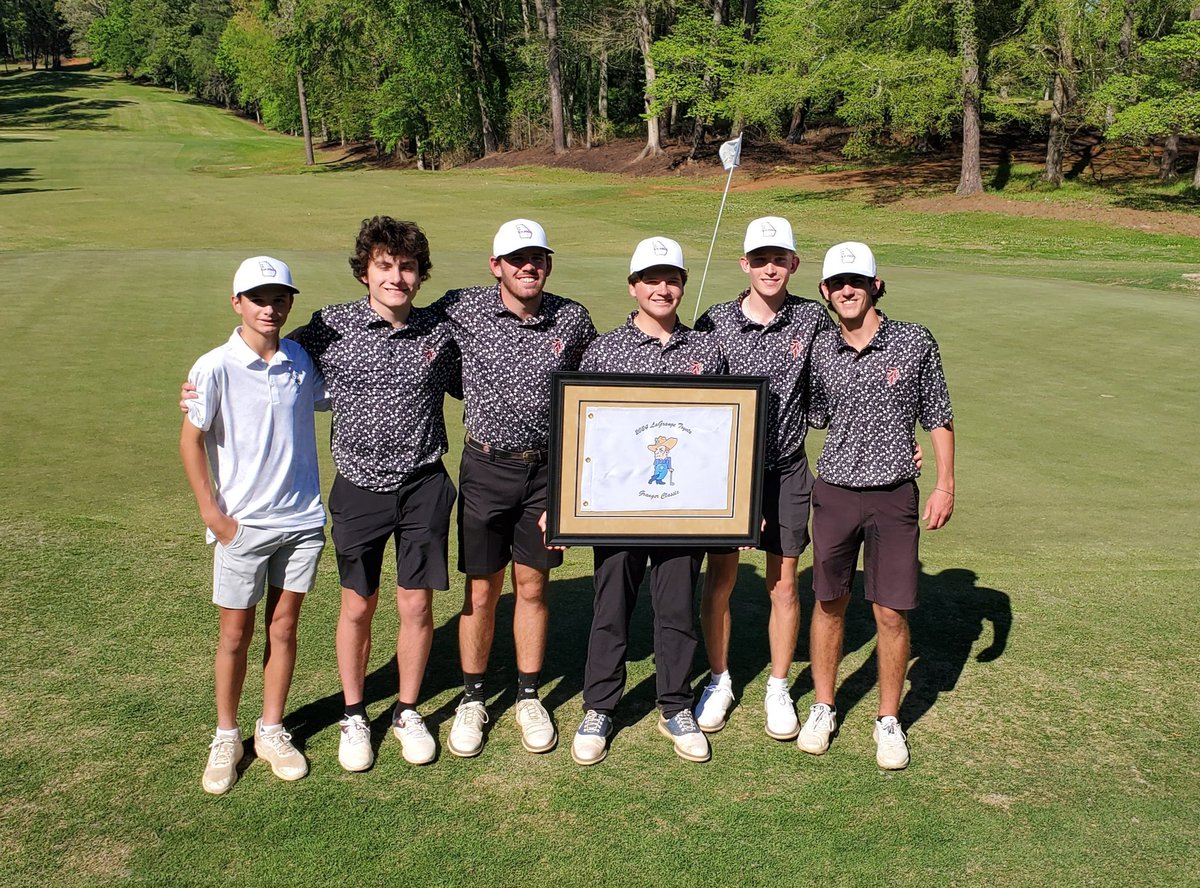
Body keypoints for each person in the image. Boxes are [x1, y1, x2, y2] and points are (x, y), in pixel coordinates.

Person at [289, 217, 461, 771]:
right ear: (365, 271)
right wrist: (205, 382)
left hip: (425, 484)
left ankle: (407, 710)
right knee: (357, 604)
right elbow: (269, 360)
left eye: (407, 267)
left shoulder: (441, 329)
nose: (396, 277)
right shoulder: (330, 326)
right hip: (359, 487)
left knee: (415, 602)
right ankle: (355, 713)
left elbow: (482, 375)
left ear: (420, 275)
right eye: (384, 266)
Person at [435, 219, 596, 757]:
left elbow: (595, 396)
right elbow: (407, 329)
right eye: (518, 258)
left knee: (532, 587)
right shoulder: (462, 306)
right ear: (496, 266)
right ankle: (473, 699)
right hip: (484, 469)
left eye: (539, 258)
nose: (530, 266)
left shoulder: (572, 318)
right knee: (482, 590)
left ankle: (528, 696)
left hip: (545, 475)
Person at [570, 237, 726, 766]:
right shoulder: (605, 349)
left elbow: (720, 435)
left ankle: (675, 704)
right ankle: (599, 706)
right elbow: (582, 430)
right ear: (633, 286)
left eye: (673, 279)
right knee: (611, 608)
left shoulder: (706, 350)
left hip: (686, 510)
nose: (664, 289)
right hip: (616, 508)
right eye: (652, 279)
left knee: (677, 610)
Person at [799, 241, 955, 770]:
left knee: (889, 611)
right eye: (838, 283)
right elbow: (813, 413)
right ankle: (824, 705)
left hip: (894, 496)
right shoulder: (819, 348)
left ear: (875, 286)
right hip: (836, 492)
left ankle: (888, 719)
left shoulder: (914, 341)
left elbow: (938, 413)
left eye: (857, 282)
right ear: (825, 291)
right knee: (829, 602)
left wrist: (945, 484)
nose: (848, 290)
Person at [181, 256, 327, 794]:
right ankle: (227, 735)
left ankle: (271, 729)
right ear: (237, 302)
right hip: (242, 526)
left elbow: (340, 399)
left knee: (284, 628)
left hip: (302, 519)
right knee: (235, 634)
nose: (271, 308)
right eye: (259, 298)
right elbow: (190, 441)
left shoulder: (300, 361)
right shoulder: (213, 366)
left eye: (280, 298)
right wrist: (214, 517)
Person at [692, 217, 834, 741]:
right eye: (760, 258)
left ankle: (777, 686)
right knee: (723, 579)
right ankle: (720, 679)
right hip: (727, 474)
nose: (770, 267)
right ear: (744, 263)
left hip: (788, 468)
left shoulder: (811, 320)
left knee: (782, 584)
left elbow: (837, 380)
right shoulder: (714, 321)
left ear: (794, 264)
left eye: (780, 259)